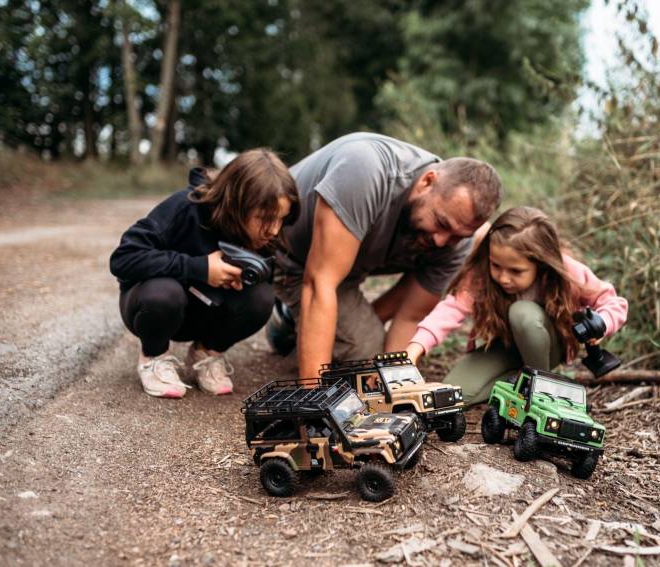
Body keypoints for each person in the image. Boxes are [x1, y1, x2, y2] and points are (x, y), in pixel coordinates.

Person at [266, 132, 503, 381]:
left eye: (458, 235)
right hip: (284, 251)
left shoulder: (457, 241)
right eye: (441, 223)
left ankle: (288, 325)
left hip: (344, 273)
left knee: (374, 364)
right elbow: (319, 283)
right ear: (427, 182)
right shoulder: (366, 171)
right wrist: (312, 401)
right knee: (347, 353)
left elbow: (411, 314)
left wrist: (392, 385)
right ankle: (291, 313)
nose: (442, 241)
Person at [109, 149, 299, 398]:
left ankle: (206, 353)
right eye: (265, 218)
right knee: (164, 294)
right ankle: (153, 357)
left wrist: (239, 279)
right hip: (154, 307)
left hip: (205, 311)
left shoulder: (267, 233)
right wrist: (199, 268)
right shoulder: (185, 208)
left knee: (261, 298)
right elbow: (123, 258)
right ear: (237, 203)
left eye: (281, 219)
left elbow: (265, 275)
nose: (274, 230)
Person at [405, 206, 628, 405]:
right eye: (496, 266)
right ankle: (520, 382)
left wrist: (602, 323)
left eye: (515, 271)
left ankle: (542, 385)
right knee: (456, 394)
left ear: (540, 263)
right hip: (505, 346)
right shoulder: (482, 275)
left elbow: (613, 302)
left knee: (522, 313)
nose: (503, 278)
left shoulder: (566, 273)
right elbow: (451, 309)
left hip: (547, 345)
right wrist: (415, 349)